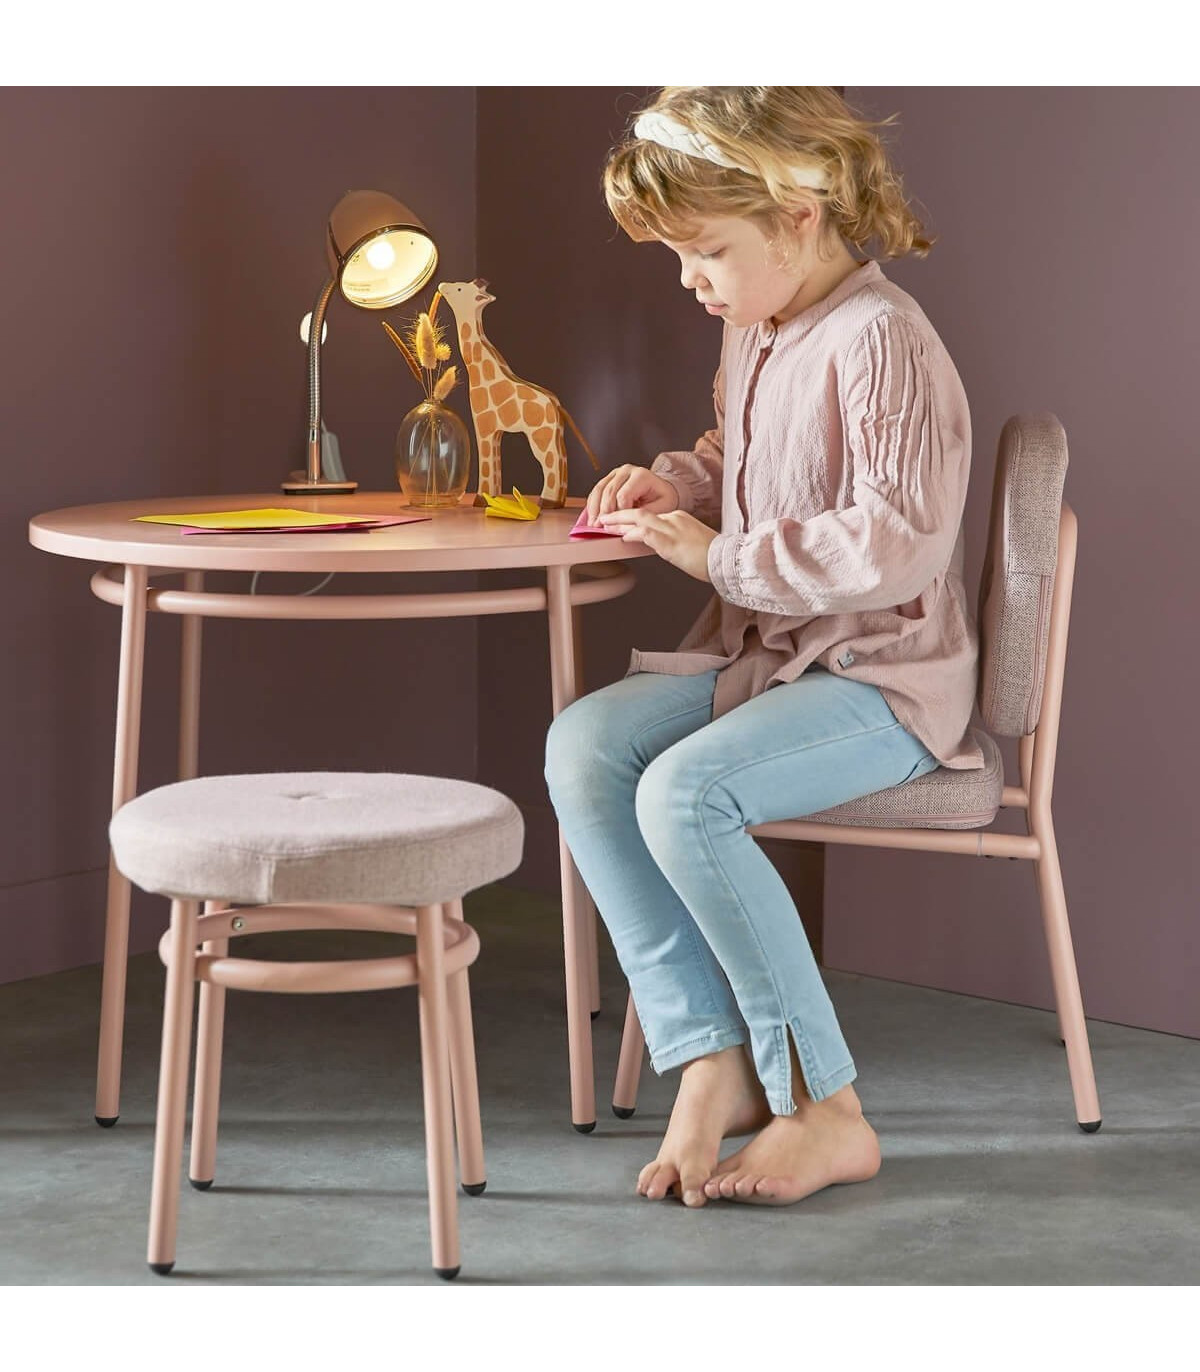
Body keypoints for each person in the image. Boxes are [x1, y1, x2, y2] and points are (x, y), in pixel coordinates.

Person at [543, 86, 985, 1210]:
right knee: (584, 748)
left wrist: (720, 560)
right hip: (771, 664)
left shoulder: (884, 338)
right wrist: (680, 484)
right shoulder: (758, 326)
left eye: (706, 250)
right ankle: (712, 1057)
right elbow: (745, 454)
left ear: (798, 213)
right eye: (677, 256)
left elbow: (895, 541)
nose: (690, 279)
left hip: (879, 678)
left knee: (686, 794)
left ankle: (825, 1105)